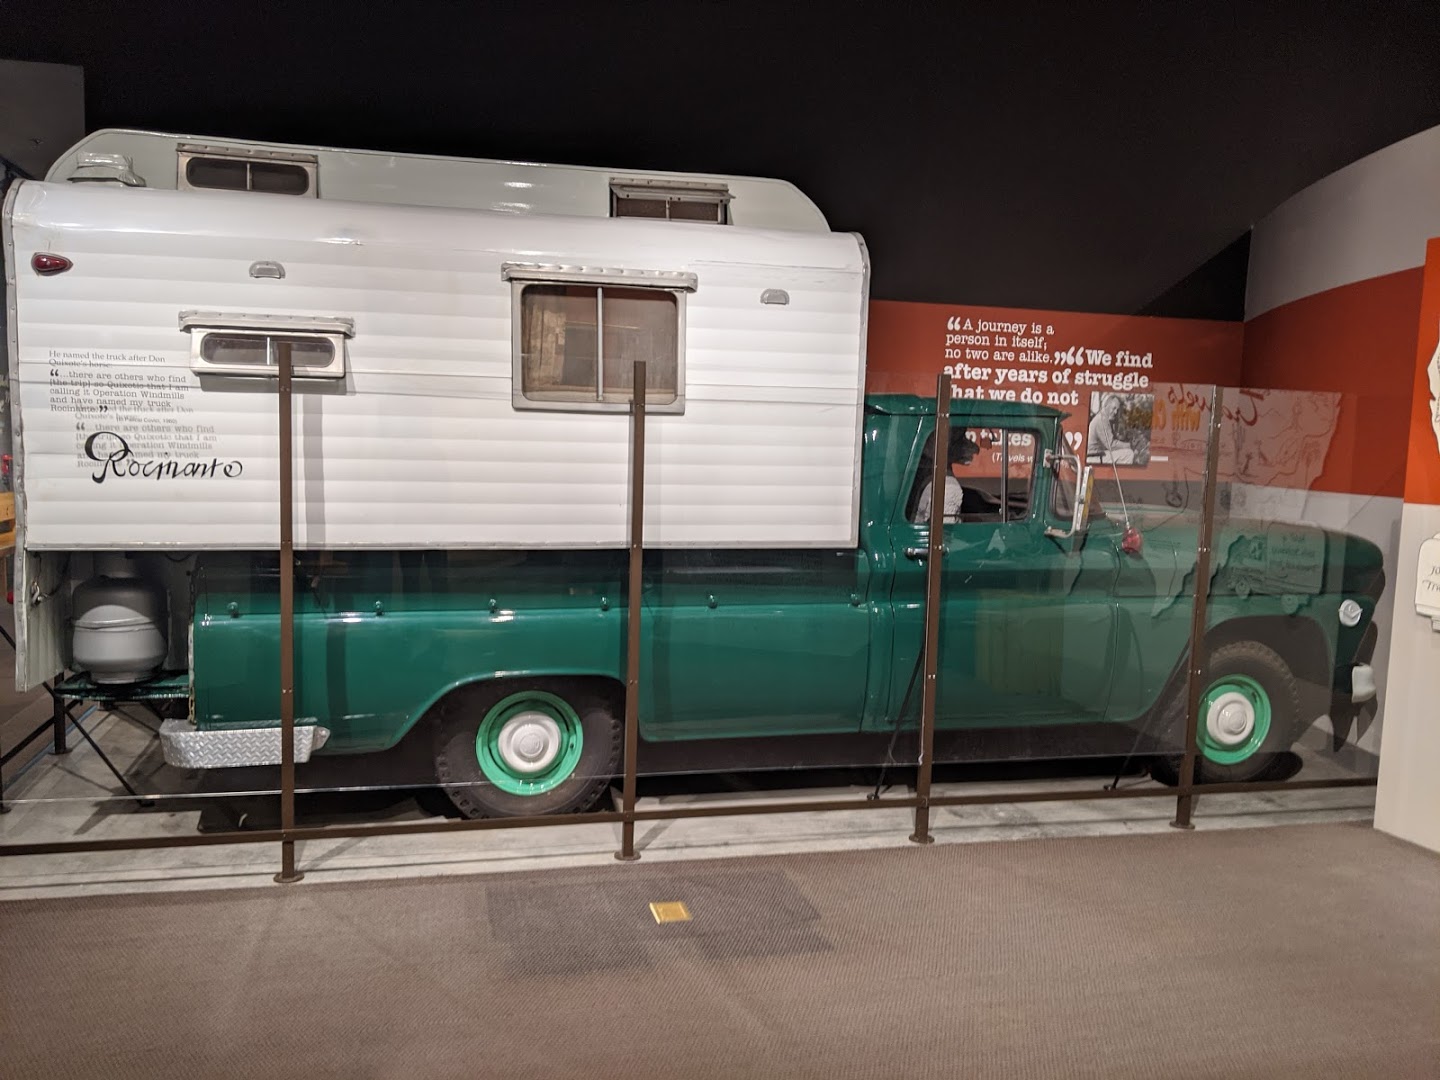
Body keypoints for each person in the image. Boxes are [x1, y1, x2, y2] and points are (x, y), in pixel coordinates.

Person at [914, 432, 979, 524]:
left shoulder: (933, 476)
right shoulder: (948, 487)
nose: (975, 447)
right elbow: (944, 530)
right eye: (960, 439)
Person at [1088, 393, 1135, 464]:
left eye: (1117, 410)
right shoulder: (1101, 420)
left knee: (1124, 452)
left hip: (1098, 453)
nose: (1115, 412)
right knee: (1129, 454)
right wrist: (1129, 445)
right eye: (1114, 408)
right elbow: (1111, 445)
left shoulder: (1105, 418)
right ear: (1106, 406)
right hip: (1094, 456)